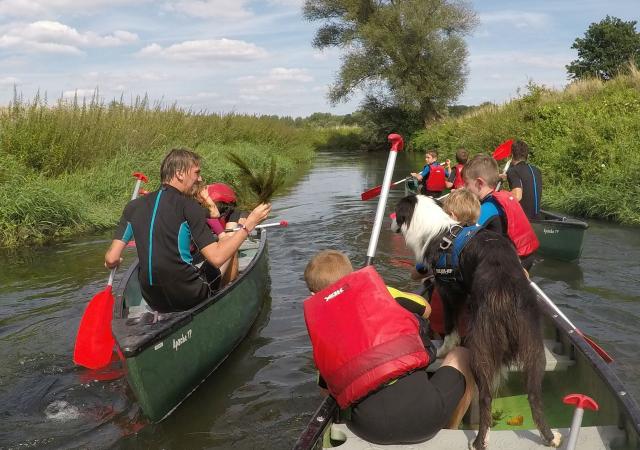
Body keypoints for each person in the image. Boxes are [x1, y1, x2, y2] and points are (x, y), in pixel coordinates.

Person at [303, 250, 475, 445]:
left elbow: (326, 391)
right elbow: (426, 309)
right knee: (462, 354)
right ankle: (450, 430)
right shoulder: (382, 292)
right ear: (352, 276)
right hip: (427, 418)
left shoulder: (323, 331)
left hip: (368, 429)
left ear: (313, 295)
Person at [104, 148, 271, 313]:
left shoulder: (133, 207)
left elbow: (111, 258)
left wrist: (115, 262)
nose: (200, 179)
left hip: (153, 300)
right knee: (229, 245)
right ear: (179, 173)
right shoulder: (189, 206)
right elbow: (218, 257)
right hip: (189, 296)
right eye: (197, 173)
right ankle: (228, 297)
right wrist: (250, 223)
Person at [462, 153, 539, 270]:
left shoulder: (489, 207)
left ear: (479, 183)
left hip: (514, 262)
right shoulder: (503, 196)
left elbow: (464, 237)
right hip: (526, 255)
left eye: (466, 184)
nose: (464, 188)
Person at [503, 140, 542, 219]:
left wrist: (501, 195)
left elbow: (517, 196)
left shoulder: (512, 171)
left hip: (523, 220)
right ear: (527, 156)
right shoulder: (537, 170)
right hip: (537, 218)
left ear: (512, 155)